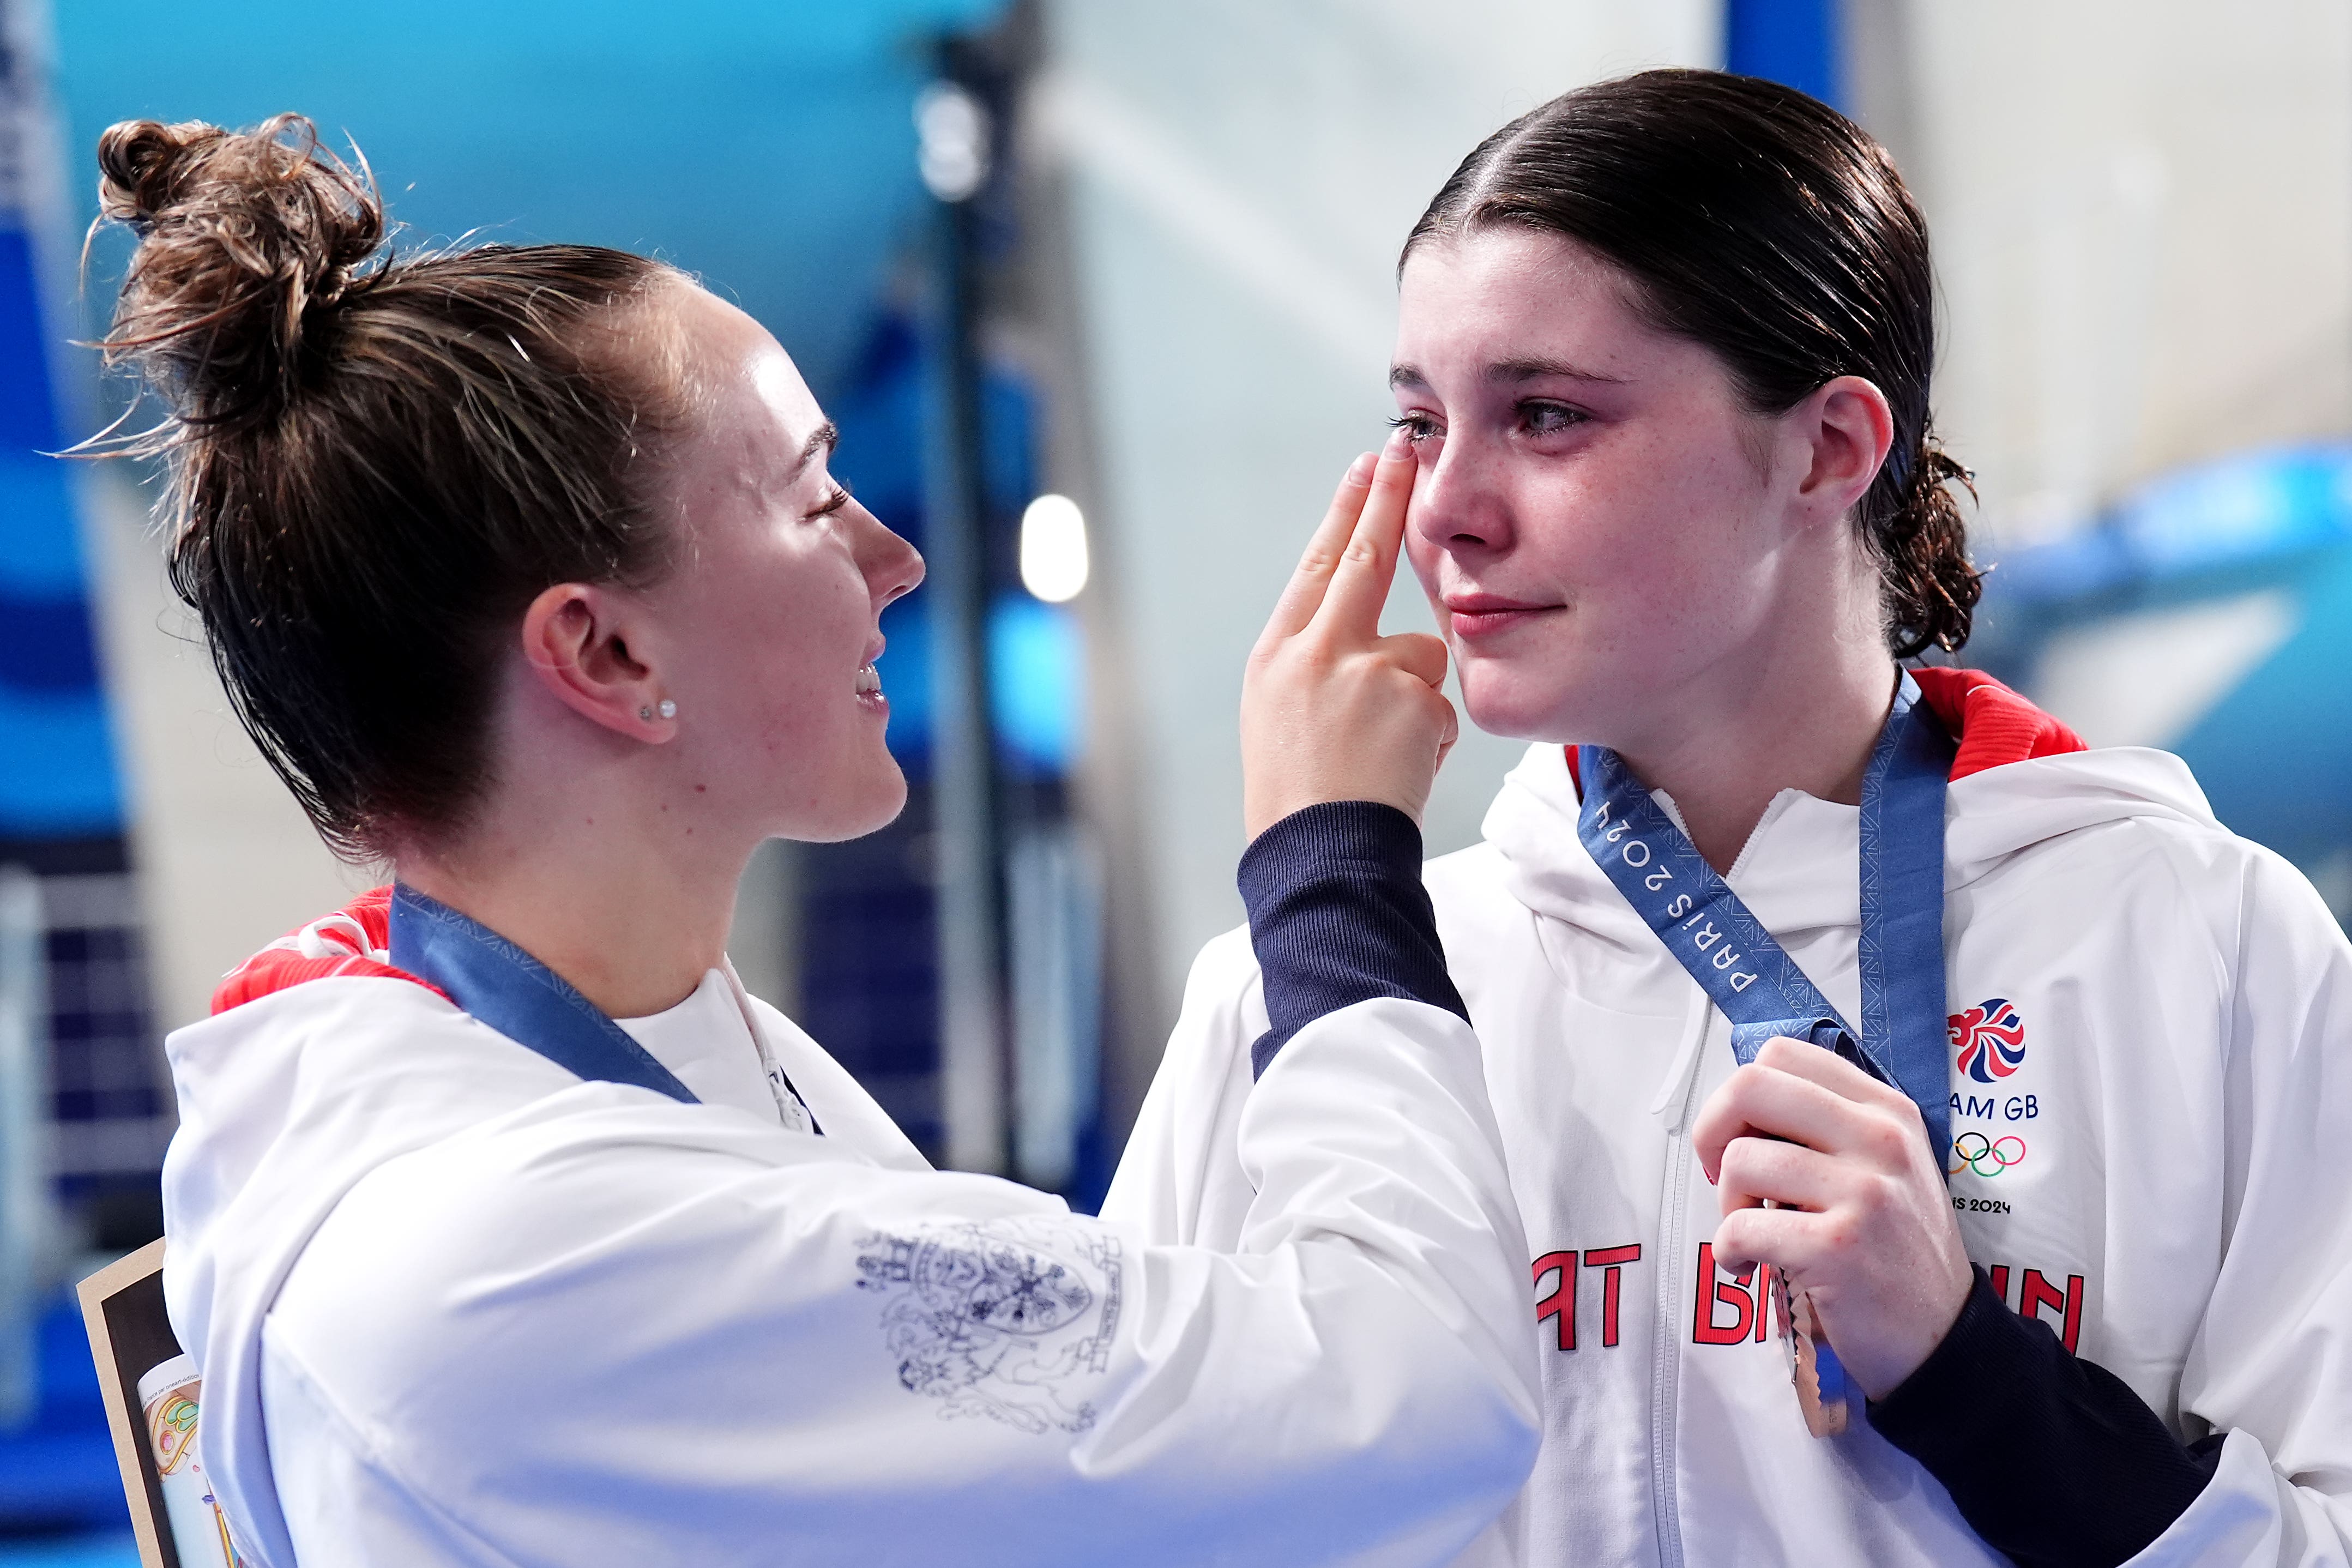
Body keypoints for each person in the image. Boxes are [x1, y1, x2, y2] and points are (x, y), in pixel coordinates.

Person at [95, 114, 1540, 1568]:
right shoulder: (529, 1250)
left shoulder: (644, 1041)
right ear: (603, 651)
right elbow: (1410, 1394)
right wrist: (1329, 853)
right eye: (812, 498)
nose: (894, 557)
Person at [1108, 68, 2352, 1568]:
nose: (1443, 511)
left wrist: (1968, 1370)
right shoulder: (1305, 997)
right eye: (1420, 422)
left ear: (1827, 448)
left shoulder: (2190, 943)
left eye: (1545, 415)